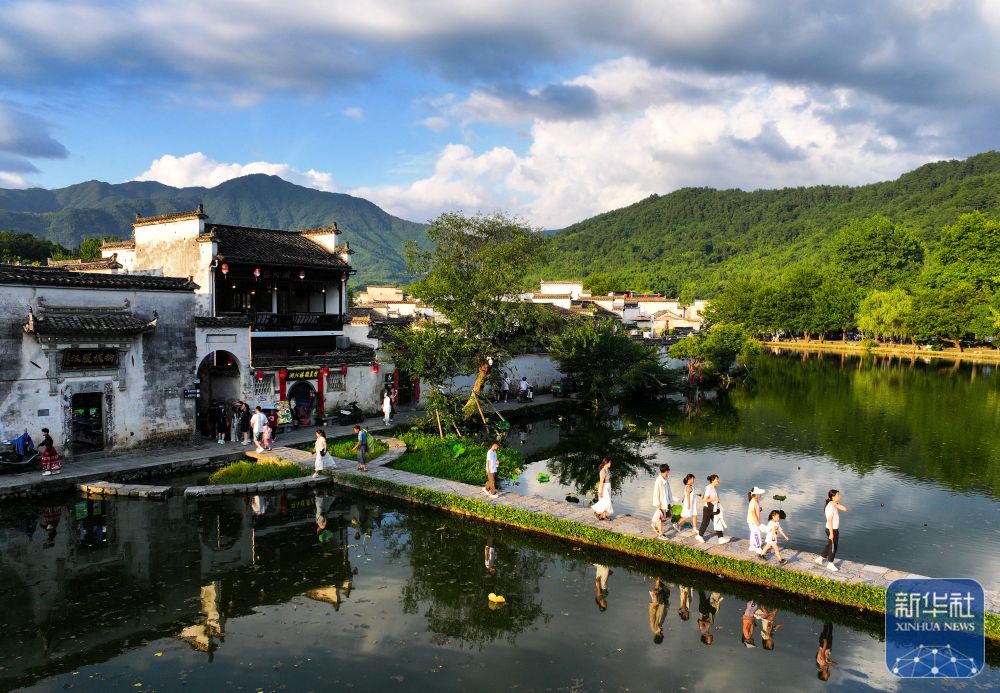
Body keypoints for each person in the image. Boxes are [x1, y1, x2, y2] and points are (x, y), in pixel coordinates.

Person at [814, 489, 847, 572]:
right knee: (833, 547)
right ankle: (830, 564)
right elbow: (829, 521)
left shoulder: (833, 504)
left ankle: (820, 559)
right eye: (838, 495)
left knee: (830, 545)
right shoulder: (830, 507)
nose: (840, 496)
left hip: (833, 529)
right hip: (831, 529)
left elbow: (845, 509)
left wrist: (836, 504)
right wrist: (831, 533)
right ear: (833, 496)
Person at [696, 475, 730, 544]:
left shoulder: (715, 488)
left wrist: (717, 501)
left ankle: (721, 538)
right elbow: (704, 499)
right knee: (705, 523)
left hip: (714, 508)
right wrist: (714, 499)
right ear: (712, 480)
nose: (718, 481)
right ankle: (699, 536)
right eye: (717, 479)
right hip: (708, 508)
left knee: (717, 522)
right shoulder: (709, 488)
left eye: (718, 479)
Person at [650, 463, 676, 539]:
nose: (668, 473)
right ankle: (660, 534)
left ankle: (654, 523)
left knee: (668, 516)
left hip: (666, 501)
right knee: (660, 517)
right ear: (665, 471)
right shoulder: (659, 480)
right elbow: (656, 492)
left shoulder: (665, 479)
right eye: (668, 471)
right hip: (661, 502)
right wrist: (658, 503)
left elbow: (668, 490)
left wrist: (671, 498)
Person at [747, 486, 766, 556]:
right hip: (753, 521)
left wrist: (760, 509)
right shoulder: (753, 502)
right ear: (756, 494)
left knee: (753, 533)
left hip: (752, 521)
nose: (760, 495)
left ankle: (752, 546)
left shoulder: (755, 501)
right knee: (757, 534)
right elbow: (753, 512)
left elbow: (755, 510)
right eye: (759, 494)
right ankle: (758, 548)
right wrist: (757, 522)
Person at [648, 577, 668, 643]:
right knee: (665, 591)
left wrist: (654, 604)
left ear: (659, 636)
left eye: (662, 636)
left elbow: (652, 616)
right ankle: (657, 579)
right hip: (661, 606)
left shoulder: (654, 628)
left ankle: (657, 578)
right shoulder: (658, 628)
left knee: (660, 591)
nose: (663, 635)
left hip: (657, 605)